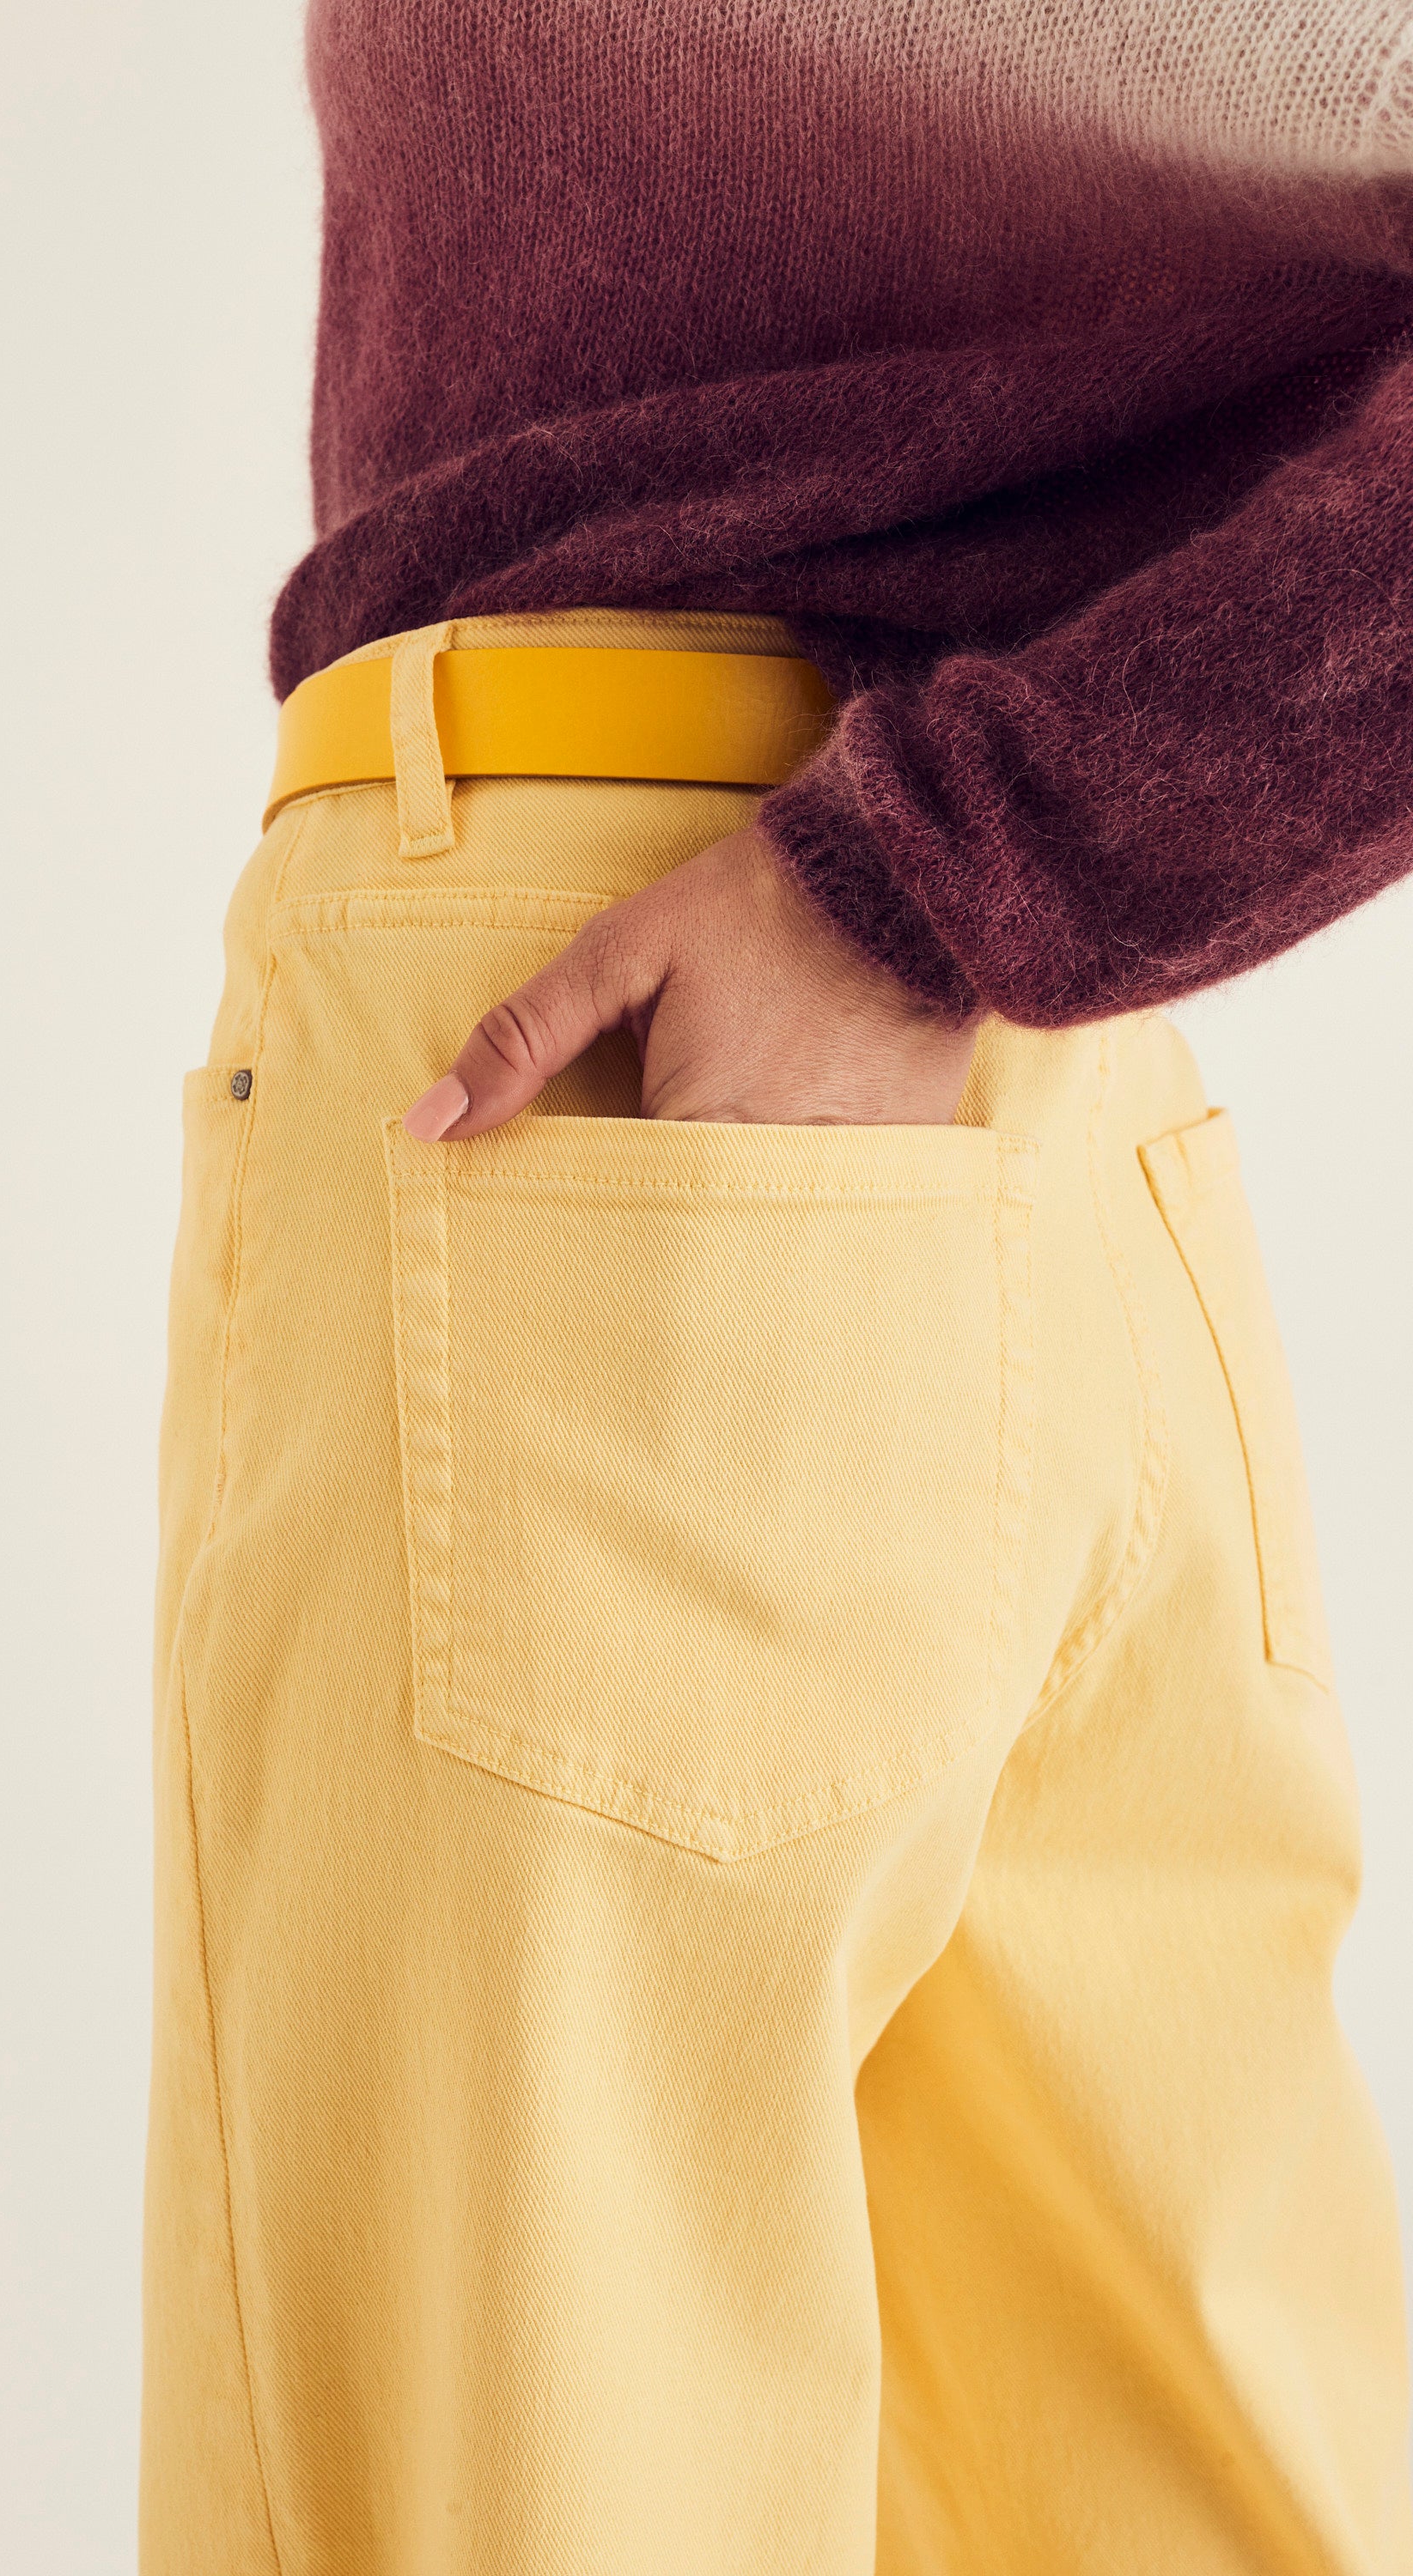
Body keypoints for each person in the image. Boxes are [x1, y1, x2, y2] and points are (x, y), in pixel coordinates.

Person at [142, 5, 1413, 2568]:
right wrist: (995, 871)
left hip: (634, 1002)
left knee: (543, 2485)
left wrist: (937, 879)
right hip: (1050, 1101)